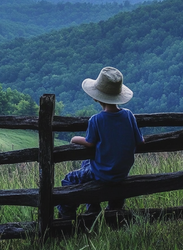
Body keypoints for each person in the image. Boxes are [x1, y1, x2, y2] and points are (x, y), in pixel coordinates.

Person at [57, 66, 144, 219]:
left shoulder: (96, 120)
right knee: (86, 163)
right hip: (122, 172)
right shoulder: (129, 116)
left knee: (69, 179)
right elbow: (140, 140)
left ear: (96, 97)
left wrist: (74, 139)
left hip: (103, 173)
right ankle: (101, 209)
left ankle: (66, 216)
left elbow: (89, 143)